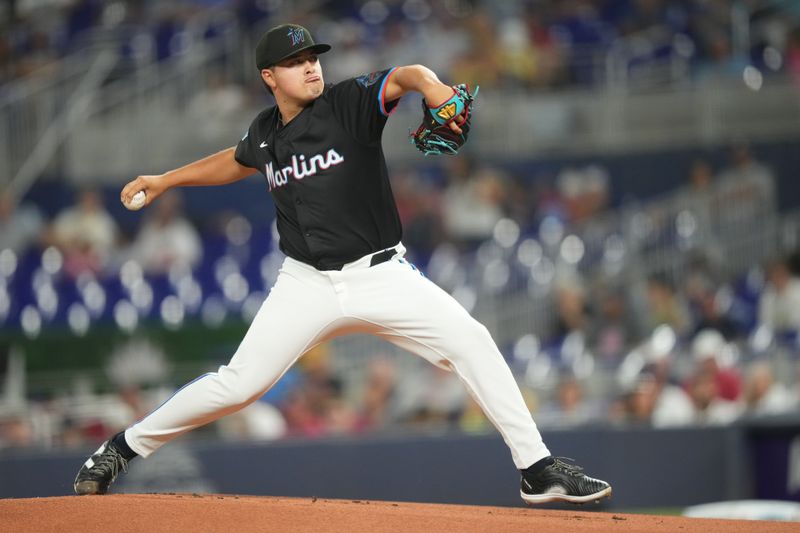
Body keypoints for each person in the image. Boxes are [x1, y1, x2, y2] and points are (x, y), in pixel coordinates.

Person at [73, 23, 611, 505]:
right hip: (305, 283)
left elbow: (405, 75)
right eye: (295, 61)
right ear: (269, 76)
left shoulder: (347, 104)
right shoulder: (265, 133)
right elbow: (234, 162)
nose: (310, 66)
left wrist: (432, 87)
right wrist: (165, 180)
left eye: (313, 57)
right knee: (238, 385)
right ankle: (121, 449)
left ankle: (536, 469)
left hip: (381, 275)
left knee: (471, 340)